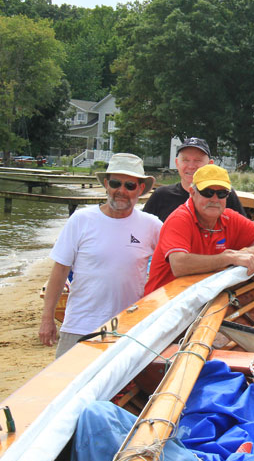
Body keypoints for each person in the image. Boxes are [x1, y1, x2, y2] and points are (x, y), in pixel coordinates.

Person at [39, 153, 162, 357]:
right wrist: (47, 318)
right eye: (115, 183)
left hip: (128, 329)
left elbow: (173, 263)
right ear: (106, 184)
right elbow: (60, 271)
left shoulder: (152, 225)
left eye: (129, 186)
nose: (121, 191)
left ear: (140, 189)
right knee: (66, 386)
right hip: (78, 326)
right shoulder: (81, 220)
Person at [145, 164, 254, 294]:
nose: (215, 199)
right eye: (208, 192)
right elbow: (179, 265)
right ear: (192, 192)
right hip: (163, 303)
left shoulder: (229, 217)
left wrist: (246, 253)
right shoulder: (179, 219)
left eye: (222, 194)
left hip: (200, 297)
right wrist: (229, 258)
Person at [143, 137, 247, 222]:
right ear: (177, 163)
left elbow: (247, 234)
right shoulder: (161, 195)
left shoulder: (223, 194)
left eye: (198, 160)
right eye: (185, 160)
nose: (191, 166)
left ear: (210, 164)